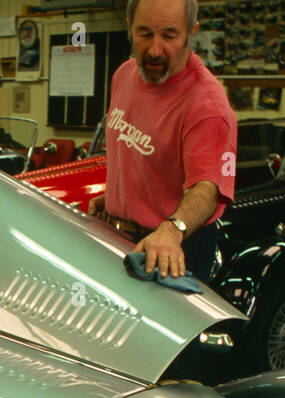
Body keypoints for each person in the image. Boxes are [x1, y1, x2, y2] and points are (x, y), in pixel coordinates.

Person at [90, 0, 237, 281]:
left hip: (177, 246)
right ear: (129, 26)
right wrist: (119, 201)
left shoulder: (207, 107)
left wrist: (172, 230)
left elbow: (205, 190)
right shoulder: (124, 75)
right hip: (120, 237)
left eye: (169, 36)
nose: (155, 50)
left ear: (191, 32)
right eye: (144, 34)